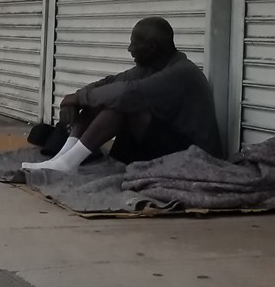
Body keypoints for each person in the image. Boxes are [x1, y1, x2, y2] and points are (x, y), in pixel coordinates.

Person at [23, 17, 222, 173]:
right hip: (168, 142)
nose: (129, 49)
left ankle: (68, 163)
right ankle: (63, 157)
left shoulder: (181, 73)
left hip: (193, 154)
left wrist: (78, 98)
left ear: (152, 48)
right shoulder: (153, 66)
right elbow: (109, 84)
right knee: (100, 98)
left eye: (134, 44)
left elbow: (126, 94)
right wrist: (75, 99)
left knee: (120, 106)